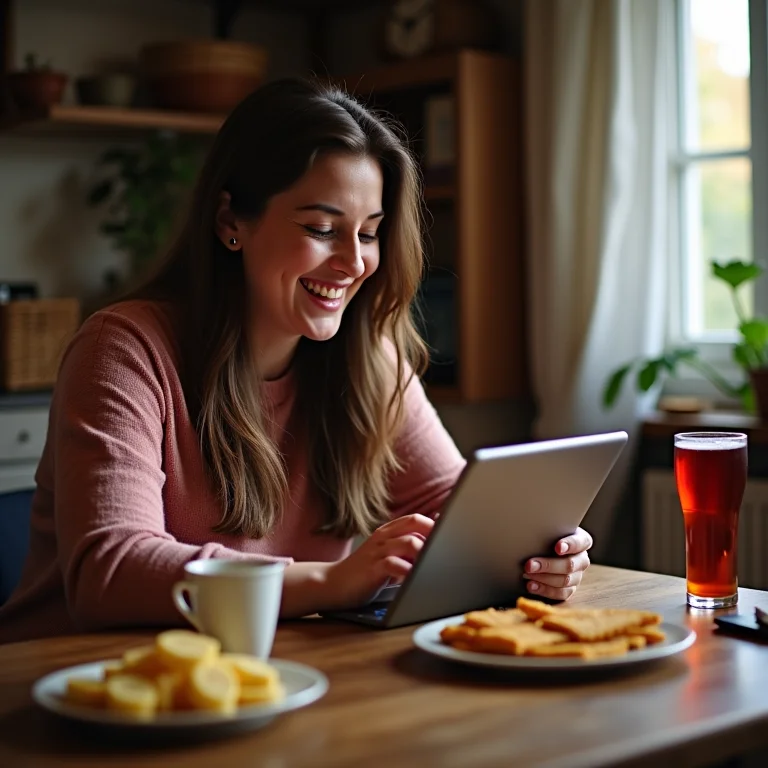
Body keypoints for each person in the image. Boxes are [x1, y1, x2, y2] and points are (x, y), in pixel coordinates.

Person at [0, 78, 592, 643]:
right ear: (232, 221)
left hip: (263, 676)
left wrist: (537, 556)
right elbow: (111, 571)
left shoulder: (368, 356)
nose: (353, 262)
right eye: (321, 228)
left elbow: (460, 516)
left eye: (368, 233)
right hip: (76, 691)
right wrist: (331, 582)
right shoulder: (124, 349)